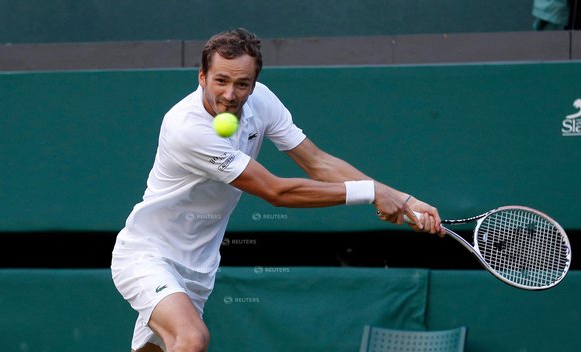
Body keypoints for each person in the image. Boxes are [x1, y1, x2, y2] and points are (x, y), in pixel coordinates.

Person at [111, 28, 444, 352]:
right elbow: (275, 192)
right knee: (192, 339)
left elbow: (319, 163)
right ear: (202, 77)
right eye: (221, 81)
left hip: (198, 268)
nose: (230, 94)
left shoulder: (262, 102)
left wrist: (403, 199)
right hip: (147, 255)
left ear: (254, 85)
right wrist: (370, 192)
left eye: (242, 84)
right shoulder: (187, 128)